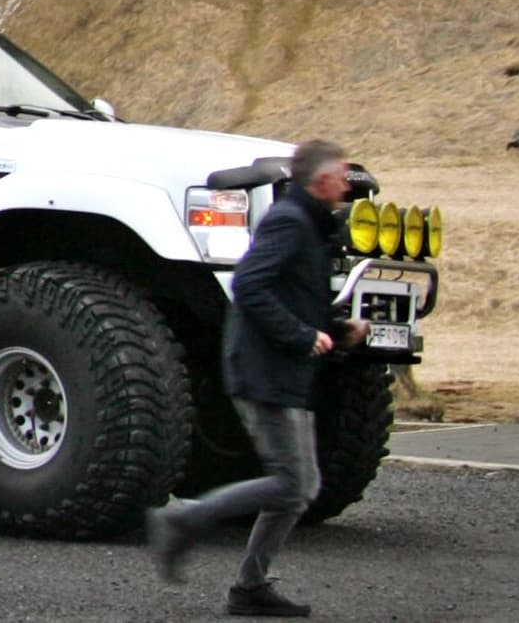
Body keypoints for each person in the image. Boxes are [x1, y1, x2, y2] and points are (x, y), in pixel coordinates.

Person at [148, 140, 362, 617]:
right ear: (320, 180)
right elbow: (249, 285)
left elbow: (295, 294)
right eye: (342, 175)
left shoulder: (311, 226)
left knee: (297, 489)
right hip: (264, 371)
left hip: (285, 371)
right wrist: (302, 335)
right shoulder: (290, 221)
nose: (348, 184)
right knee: (293, 485)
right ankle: (184, 522)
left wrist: (335, 331)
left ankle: (248, 587)